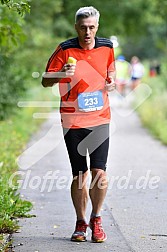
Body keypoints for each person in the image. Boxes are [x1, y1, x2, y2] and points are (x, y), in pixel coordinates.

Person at [42, 6, 116, 243]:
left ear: (97, 27)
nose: (87, 32)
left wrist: (111, 83)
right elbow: (45, 80)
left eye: (92, 27)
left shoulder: (107, 47)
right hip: (72, 120)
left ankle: (97, 218)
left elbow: (110, 75)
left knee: (99, 172)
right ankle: (80, 222)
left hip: (100, 119)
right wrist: (62, 72)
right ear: (76, 27)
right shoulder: (65, 49)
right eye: (83, 27)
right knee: (80, 174)